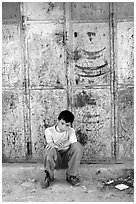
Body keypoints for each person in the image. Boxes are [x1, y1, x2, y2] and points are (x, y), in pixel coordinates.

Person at [42, 110, 83, 188]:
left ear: (70, 125)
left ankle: (71, 175)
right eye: (62, 123)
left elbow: (73, 141)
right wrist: (61, 145)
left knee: (77, 146)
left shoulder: (70, 130)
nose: (64, 127)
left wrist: (62, 145)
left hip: (67, 159)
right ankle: (49, 176)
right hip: (55, 159)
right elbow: (50, 144)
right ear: (58, 121)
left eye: (67, 125)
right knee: (49, 149)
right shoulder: (49, 131)